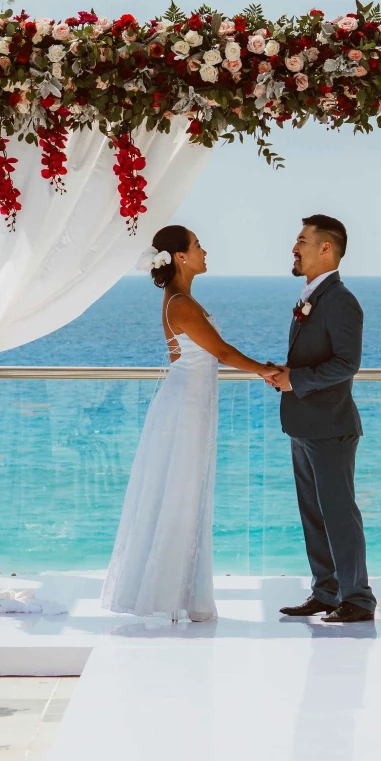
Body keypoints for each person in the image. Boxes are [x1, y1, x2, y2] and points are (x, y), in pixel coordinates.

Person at [101, 224, 269, 622]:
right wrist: (267, 370)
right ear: (179, 257)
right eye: (197, 246)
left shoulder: (181, 298)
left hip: (193, 404)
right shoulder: (181, 303)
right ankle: (173, 594)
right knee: (180, 493)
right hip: (185, 408)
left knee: (188, 494)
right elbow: (223, 352)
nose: (204, 251)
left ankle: (184, 592)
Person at [265, 215, 373, 623]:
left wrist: (297, 381)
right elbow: (315, 359)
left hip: (331, 427)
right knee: (314, 513)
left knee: (339, 514)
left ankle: (359, 599)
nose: (294, 247)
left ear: (325, 248)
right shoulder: (314, 297)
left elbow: (348, 364)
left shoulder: (341, 300)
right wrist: (286, 375)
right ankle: (326, 591)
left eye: (301, 240)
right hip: (305, 425)